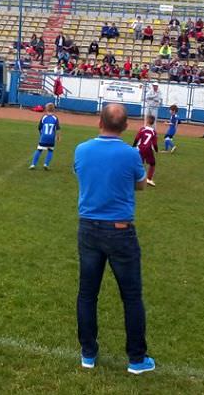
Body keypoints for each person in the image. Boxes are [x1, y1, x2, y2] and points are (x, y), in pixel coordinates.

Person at [73, 103, 153, 374]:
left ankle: (88, 353)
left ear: (99, 122)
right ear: (126, 126)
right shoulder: (130, 154)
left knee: (87, 294)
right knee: (131, 297)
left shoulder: (81, 149)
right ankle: (137, 359)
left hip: (88, 228)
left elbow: (82, 175)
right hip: (120, 230)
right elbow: (141, 184)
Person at [30, 103, 60, 170]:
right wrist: (58, 137)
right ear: (54, 110)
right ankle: (46, 164)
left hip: (44, 137)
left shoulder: (44, 117)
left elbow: (39, 127)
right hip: (51, 137)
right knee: (50, 150)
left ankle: (33, 164)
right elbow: (58, 129)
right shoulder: (55, 118)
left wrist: (41, 135)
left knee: (39, 150)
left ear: (46, 109)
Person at [133, 115, 159, 187]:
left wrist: (134, 146)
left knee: (139, 163)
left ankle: (135, 178)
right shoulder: (153, 132)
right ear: (153, 123)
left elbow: (137, 138)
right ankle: (149, 179)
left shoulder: (142, 129)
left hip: (140, 148)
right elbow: (154, 143)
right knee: (152, 164)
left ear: (147, 121)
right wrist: (156, 150)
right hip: (148, 149)